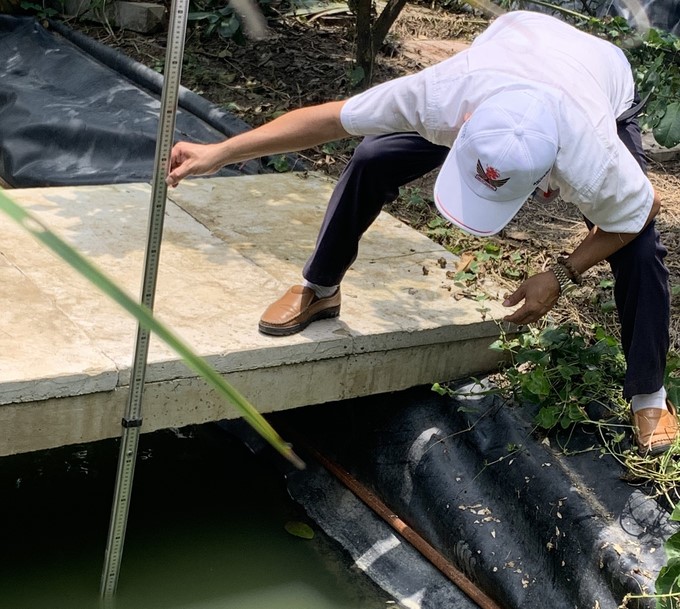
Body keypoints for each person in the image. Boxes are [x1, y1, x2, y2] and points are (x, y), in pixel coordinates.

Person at [166, 10, 676, 454]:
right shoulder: (442, 95)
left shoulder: (592, 154)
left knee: (639, 249)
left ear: (551, 168)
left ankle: (649, 394)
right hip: (515, 45)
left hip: (600, 78)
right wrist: (220, 152)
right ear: (464, 125)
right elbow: (328, 120)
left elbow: (642, 211)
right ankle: (320, 288)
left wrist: (562, 273)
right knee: (372, 158)